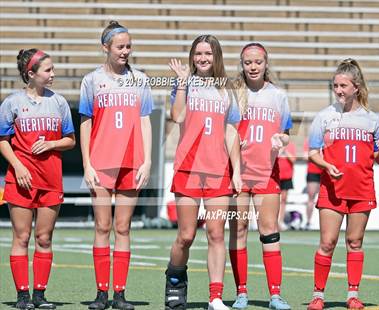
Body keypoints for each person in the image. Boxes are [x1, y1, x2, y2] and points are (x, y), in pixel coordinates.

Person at [79, 21, 153, 310]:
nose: (125, 51)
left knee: (123, 227)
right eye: (120, 46)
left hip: (131, 162)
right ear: (106, 48)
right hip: (101, 162)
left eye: (128, 46)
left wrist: (146, 160)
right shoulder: (91, 80)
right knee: (102, 225)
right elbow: (86, 123)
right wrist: (87, 163)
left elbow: (145, 120)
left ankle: (119, 294)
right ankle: (101, 293)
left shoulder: (141, 80)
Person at [164, 34, 241, 310]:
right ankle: (174, 280)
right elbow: (178, 116)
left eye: (207, 53)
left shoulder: (226, 88)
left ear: (216, 56)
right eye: (198, 53)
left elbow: (231, 131)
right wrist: (183, 82)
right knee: (186, 235)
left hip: (218, 171)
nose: (202, 58)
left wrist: (237, 171)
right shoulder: (184, 83)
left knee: (216, 234)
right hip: (188, 169)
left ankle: (216, 297)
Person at [306, 58, 379, 310]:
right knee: (327, 242)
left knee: (354, 242)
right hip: (332, 189)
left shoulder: (372, 119)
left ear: (357, 87)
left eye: (343, 85)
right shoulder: (324, 116)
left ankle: (353, 295)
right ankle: (318, 295)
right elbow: (311, 152)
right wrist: (326, 165)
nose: (339, 90)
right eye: (335, 86)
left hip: (361, 189)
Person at [0, 48, 75, 309]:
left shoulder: (59, 102)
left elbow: (70, 140)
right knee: (21, 237)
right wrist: (18, 167)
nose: (53, 74)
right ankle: (22, 297)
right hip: (20, 179)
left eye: (53, 69)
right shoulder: (11, 103)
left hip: (51, 179)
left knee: (44, 238)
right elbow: (3, 142)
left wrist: (53, 145)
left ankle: (39, 295)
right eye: (48, 70)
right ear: (30, 74)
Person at [228, 42, 292, 310]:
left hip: (267, 174)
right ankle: (241, 292)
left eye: (258, 62)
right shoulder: (232, 93)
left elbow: (286, 131)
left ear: (266, 64)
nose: (253, 67)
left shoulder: (277, 95)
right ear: (241, 64)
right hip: (237, 175)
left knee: (269, 231)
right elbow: (224, 130)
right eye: (247, 62)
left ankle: (275, 295)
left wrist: (281, 140)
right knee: (239, 230)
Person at [303, 138, 322, 230]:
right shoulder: (310, 141)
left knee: (326, 199)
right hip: (313, 172)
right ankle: (308, 222)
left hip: (326, 171)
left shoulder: (328, 140)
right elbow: (305, 156)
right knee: (311, 197)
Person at [278, 141, 296, 231]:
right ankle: (273, 221)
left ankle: (280, 221)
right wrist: (280, 151)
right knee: (274, 199)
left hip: (286, 177)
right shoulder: (275, 144)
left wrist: (286, 151)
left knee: (283, 200)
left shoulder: (291, 146)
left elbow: (293, 160)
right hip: (276, 176)